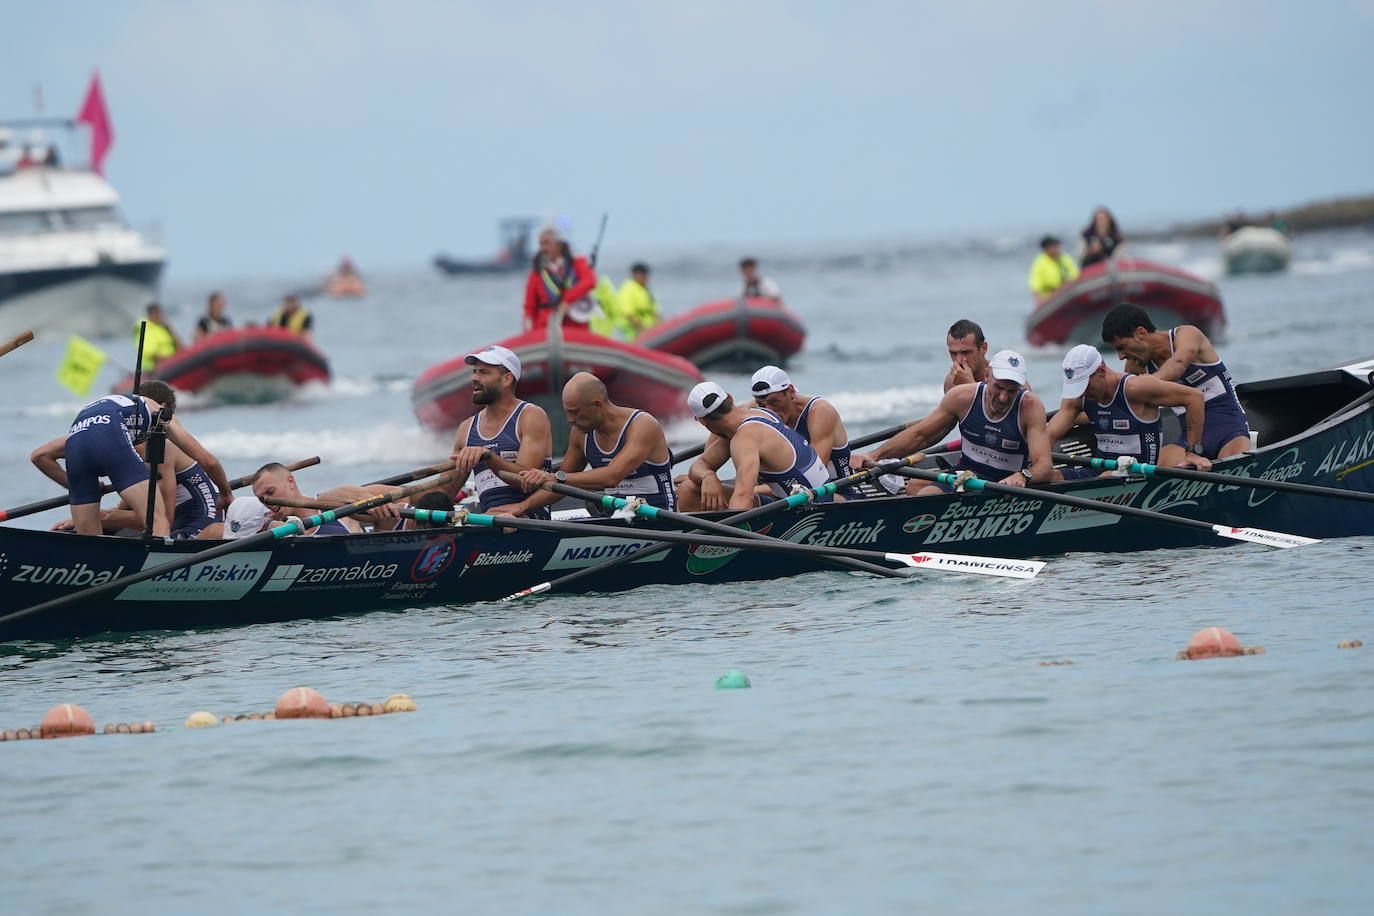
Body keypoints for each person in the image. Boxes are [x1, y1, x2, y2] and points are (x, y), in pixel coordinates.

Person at [30, 381, 232, 537]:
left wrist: (95, 503)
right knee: (155, 520)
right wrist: (227, 495)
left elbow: (40, 455)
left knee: (90, 544)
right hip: (174, 521)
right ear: (164, 407)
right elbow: (210, 462)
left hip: (197, 522)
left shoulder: (152, 444)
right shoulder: (158, 415)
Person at [852, 350, 1053, 495]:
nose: (1003, 397)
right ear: (985, 376)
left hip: (1006, 484)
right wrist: (873, 455)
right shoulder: (961, 397)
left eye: (1011, 391)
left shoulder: (1030, 406)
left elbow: (1044, 467)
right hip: (966, 475)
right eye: (998, 387)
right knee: (923, 496)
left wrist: (1024, 476)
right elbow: (921, 435)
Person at [1100, 303, 1252, 460]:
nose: (1121, 356)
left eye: (1122, 347)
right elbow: (1120, 402)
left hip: (1231, 432)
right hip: (1189, 439)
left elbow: (1178, 364)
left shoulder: (1188, 335)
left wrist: (1149, 382)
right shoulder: (1136, 363)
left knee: (1233, 462)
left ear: (1141, 333)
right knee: (1159, 467)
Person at [515, 372, 675, 515]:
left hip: (659, 519)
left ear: (597, 405)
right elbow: (561, 488)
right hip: (618, 518)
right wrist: (521, 507)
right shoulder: (580, 434)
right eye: (567, 412)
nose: (570, 420)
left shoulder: (642, 425)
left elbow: (611, 477)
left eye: (575, 412)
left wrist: (555, 477)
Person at [1049, 343, 1212, 476]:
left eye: (1085, 385)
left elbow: (1194, 398)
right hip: (1098, 471)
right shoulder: (1078, 397)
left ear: (1101, 371)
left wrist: (1192, 452)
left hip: (1139, 472)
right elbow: (1049, 434)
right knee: (1047, 477)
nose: (1082, 392)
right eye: (1077, 387)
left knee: (1106, 477)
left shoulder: (1135, 388)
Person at [678, 382, 830, 511]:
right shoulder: (758, 413)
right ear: (729, 398)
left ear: (702, 421)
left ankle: (711, 544)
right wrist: (707, 476)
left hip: (813, 508)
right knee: (688, 489)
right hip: (800, 498)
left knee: (688, 493)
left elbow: (744, 498)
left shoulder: (745, 438)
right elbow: (701, 464)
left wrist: (732, 539)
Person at [445, 345, 554, 519]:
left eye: (483, 372)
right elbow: (445, 493)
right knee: (387, 494)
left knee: (505, 521)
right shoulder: (466, 428)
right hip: (489, 520)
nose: (474, 377)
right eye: (474, 371)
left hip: (528, 518)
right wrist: (398, 498)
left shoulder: (530, 416)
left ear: (506, 379)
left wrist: (489, 457)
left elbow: (524, 482)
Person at [48, 435, 224, 539]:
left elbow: (162, 519)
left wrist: (98, 516)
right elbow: (123, 509)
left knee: (107, 524)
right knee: (106, 527)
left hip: (200, 526)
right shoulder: (127, 451)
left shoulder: (155, 451)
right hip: (176, 520)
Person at [749, 365, 856, 484]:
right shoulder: (756, 411)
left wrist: (750, 492)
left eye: (774, 402)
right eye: (761, 405)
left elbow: (815, 479)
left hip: (836, 492)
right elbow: (729, 416)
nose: (769, 410)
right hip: (790, 494)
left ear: (791, 392)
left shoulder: (820, 411)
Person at [250, 463, 400, 535]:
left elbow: (404, 493)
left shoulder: (333, 501)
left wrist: (377, 509)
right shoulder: (268, 525)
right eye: (262, 499)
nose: (268, 502)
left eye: (270, 492)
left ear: (290, 482)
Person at [523, 227, 597, 331]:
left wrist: (566, 301)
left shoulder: (576, 264)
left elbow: (590, 281)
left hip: (575, 325)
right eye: (541, 244)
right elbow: (529, 307)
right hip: (545, 327)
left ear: (559, 245)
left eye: (547, 243)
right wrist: (527, 328)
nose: (543, 248)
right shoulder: (537, 273)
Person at [943, 318, 992, 392]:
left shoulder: (999, 377)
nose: (959, 360)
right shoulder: (951, 382)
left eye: (965, 352)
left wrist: (969, 384)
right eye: (953, 353)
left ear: (983, 348)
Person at [1028, 236, 1080, 303]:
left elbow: (1075, 276)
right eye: (1053, 247)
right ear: (1046, 249)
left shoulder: (1064, 258)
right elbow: (1035, 288)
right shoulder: (1039, 263)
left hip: (1067, 293)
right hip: (1050, 299)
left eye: (1056, 246)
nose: (1056, 248)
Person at [617, 263, 662, 338]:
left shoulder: (646, 290)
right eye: (643, 275)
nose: (646, 277)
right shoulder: (628, 288)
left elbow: (656, 312)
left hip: (652, 331)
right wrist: (644, 329)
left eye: (646, 275)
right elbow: (628, 314)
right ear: (635, 275)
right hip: (635, 333)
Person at [135, 303, 182, 369]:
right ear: (150, 315)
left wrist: (171, 331)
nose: (159, 316)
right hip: (155, 369)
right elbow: (150, 354)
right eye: (156, 314)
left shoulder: (163, 327)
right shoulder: (146, 330)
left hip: (172, 363)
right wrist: (169, 361)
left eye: (160, 314)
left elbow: (179, 346)